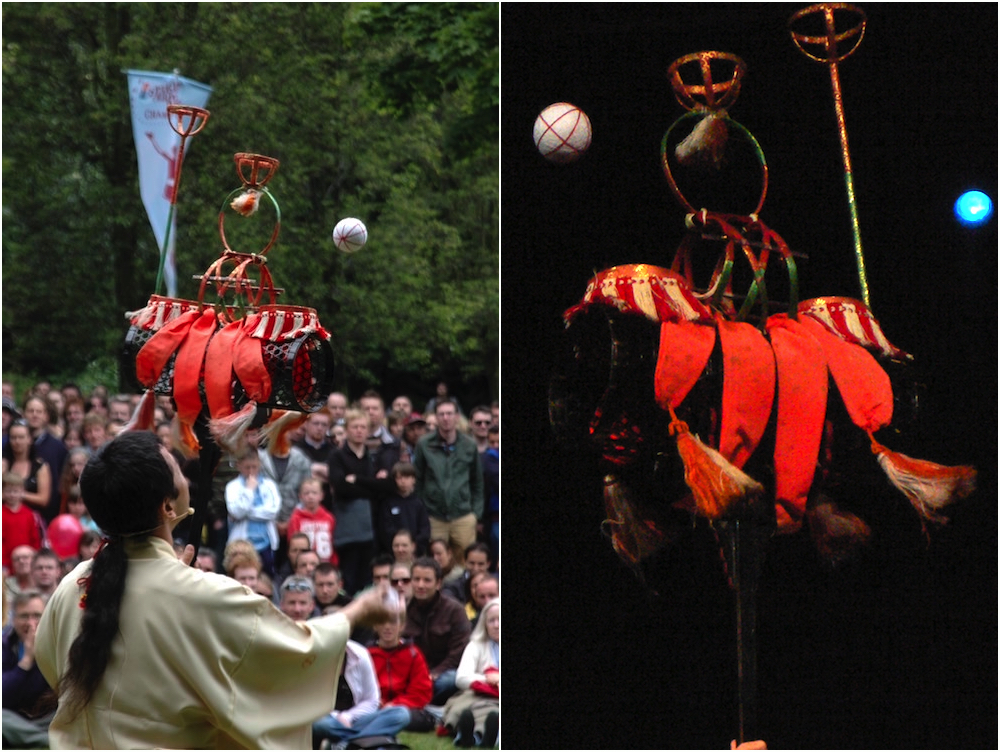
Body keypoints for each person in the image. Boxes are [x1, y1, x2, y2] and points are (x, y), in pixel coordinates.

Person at [34, 430, 396, 749]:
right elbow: (298, 649)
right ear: (167, 504)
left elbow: (57, 667)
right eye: (177, 467)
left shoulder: (74, 585)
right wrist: (359, 611)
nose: (184, 471)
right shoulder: (208, 594)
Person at [328, 408, 395, 594]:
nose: (359, 430)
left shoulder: (373, 456)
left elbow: (387, 486)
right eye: (355, 426)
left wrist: (357, 480)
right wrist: (372, 485)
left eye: (363, 427)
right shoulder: (337, 456)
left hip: (371, 528)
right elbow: (340, 487)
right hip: (347, 528)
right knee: (349, 580)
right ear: (347, 429)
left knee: (368, 580)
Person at [413, 398, 483, 570]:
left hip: (463, 516)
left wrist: (476, 514)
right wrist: (423, 509)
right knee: (435, 564)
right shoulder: (424, 444)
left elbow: (477, 482)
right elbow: (418, 479)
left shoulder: (469, 445)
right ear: (435, 417)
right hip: (434, 516)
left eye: (449, 413)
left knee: (467, 564)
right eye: (441, 414)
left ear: (457, 416)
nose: (445, 418)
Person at [402, 556, 471, 706]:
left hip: (441, 674)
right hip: (410, 675)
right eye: (416, 579)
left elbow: (459, 651)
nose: (421, 585)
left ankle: (417, 703)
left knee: (450, 681)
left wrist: (434, 674)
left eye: (427, 580)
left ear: (438, 583)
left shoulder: (455, 610)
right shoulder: (401, 610)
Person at [311, 638, 391, 749]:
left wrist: (347, 717)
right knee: (320, 724)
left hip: (356, 717)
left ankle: (346, 742)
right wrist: (337, 716)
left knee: (400, 714)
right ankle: (365, 741)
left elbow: (372, 700)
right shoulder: (313, 657)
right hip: (325, 718)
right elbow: (310, 703)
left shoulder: (360, 654)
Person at [367, 607, 436, 735]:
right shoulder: (366, 655)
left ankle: (383, 721)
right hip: (375, 708)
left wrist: (395, 705)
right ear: (375, 625)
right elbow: (361, 690)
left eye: (393, 622)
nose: (387, 627)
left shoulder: (413, 653)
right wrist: (379, 704)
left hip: (405, 709)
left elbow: (421, 692)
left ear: (402, 625)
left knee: (421, 719)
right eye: (382, 622)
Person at [441, 598, 499, 748]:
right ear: (484, 624)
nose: (496, 625)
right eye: (491, 620)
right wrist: (487, 679)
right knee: (464, 709)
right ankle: (467, 738)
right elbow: (461, 678)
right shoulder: (475, 645)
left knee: (492, 713)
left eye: (500, 620)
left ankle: (484, 738)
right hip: (476, 694)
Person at [2, 590, 54, 749]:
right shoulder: (5, 645)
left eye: (37, 616)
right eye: (24, 616)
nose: (31, 623)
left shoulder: (57, 642)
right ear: (13, 618)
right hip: (14, 718)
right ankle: (46, 742)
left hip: (49, 718)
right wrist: (25, 661)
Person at [226, 449, 282, 576]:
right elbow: (236, 511)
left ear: (259, 465)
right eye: (247, 468)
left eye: (254, 467)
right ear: (239, 466)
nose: (251, 471)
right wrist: (249, 491)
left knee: (267, 577)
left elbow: (272, 511)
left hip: (266, 542)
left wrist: (245, 513)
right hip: (241, 543)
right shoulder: (232, 487)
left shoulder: (270, 485)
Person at [21, 396, 67, 520]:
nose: (34, 415)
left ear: (46, 416)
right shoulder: (12, 443)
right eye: (31, 411)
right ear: (24, 414)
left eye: (39, 411)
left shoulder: (58, 447)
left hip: (48, 514)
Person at [377, 461, 431, 556]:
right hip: (393, 553)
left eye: (406, 477)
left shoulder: (419, 503)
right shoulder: (388, 502)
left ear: (413, 479)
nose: (403, 481)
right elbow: (386, 529)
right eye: (399, 478)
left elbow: (424, 529)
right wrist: (398, 546)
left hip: (415, 553)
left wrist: (414, 546)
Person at [2, 420, 53, 519]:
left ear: (29, 439)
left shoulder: (40, 466)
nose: (17, 441)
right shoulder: (4, 464)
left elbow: (44, 499)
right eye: (13, 437)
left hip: (32, 518)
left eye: (21, 437)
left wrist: (18, 494)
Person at [287, 476, 338, 565]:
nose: (310, 496)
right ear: (300, 496)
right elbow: (293, 545)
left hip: (326, 563)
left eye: (314, 493)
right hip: (306, 564)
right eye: (306, 493)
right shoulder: (296, 518)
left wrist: (334, 563)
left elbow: (334, 542)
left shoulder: (329, 518)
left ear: (322, 495)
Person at [3, 471, 45, 571]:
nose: (12, 495)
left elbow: (35, 538)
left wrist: (35, 558)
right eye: (8, 491)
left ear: (22, 491)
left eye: (15, 491)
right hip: (5, 564)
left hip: (27, 563)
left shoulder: (29, 513)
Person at [482, 424, 499, 570]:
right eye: (492, 442)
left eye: (498, 442)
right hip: (495, 516)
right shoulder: (489, 457)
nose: (495, 446)